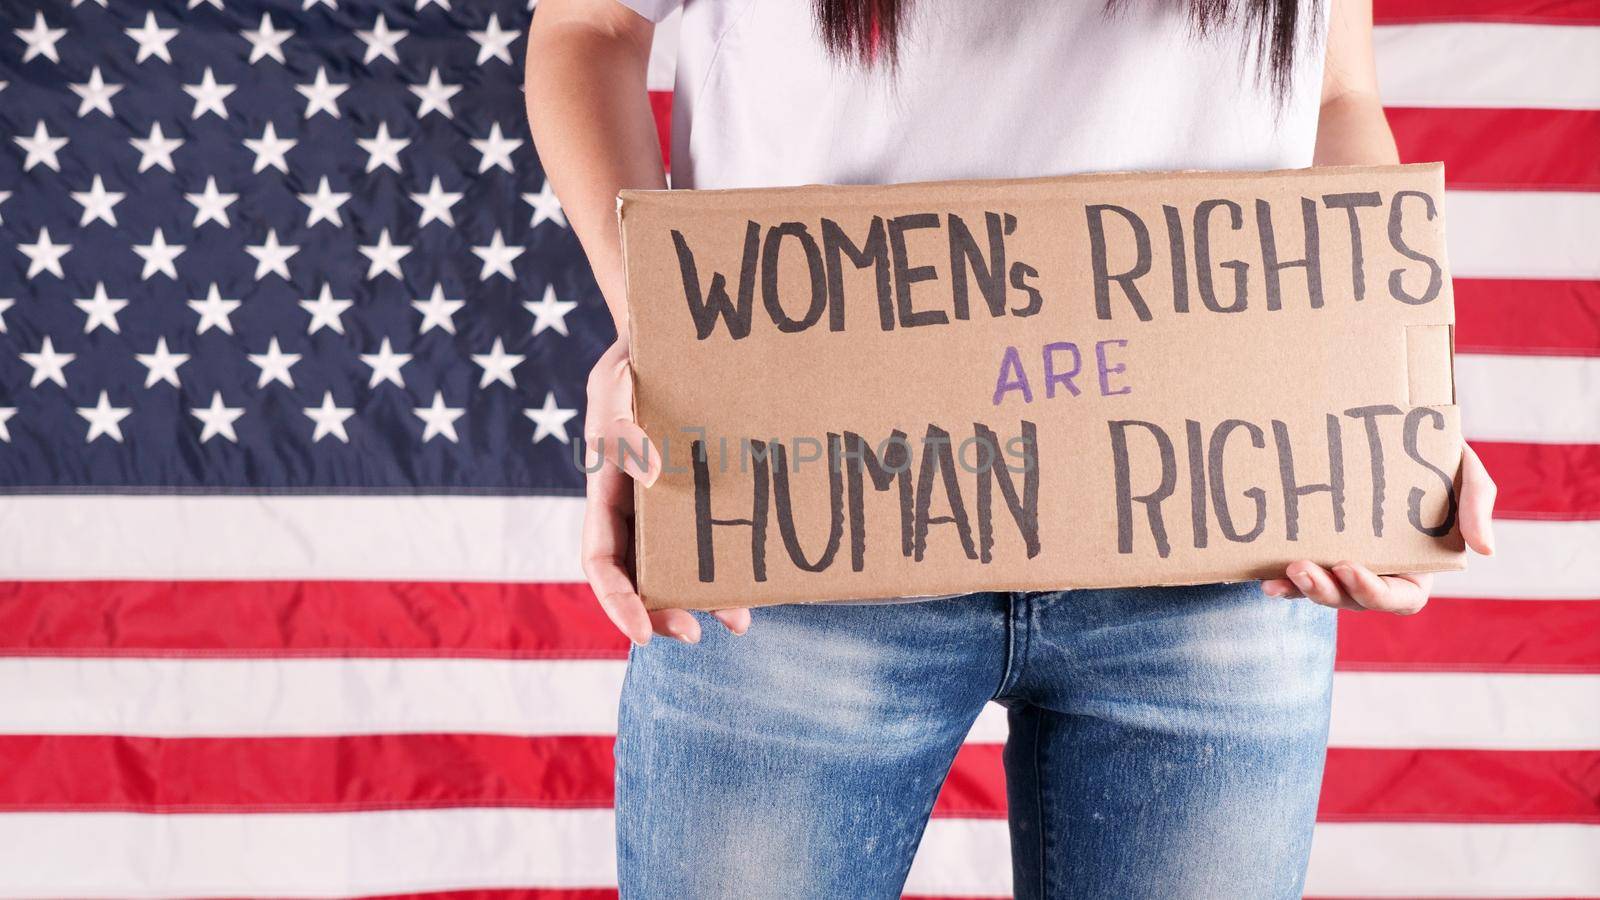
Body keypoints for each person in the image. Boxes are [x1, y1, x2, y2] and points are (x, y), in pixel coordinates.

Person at [524, 0, 1498, 896]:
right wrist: (659, 337)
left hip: (1216, 529)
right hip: (801, 509)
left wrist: (1385, 383)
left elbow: (1335, 89)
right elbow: (592, 26)